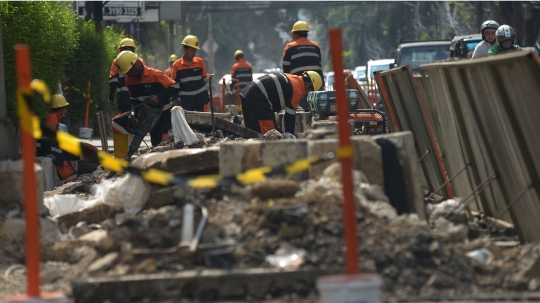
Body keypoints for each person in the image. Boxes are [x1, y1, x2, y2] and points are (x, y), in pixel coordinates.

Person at [114, 51, 180, 156]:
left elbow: (175, 87)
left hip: (163, 116)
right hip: (146, 115)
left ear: (135, 63)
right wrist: (135, 113)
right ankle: (122, 158)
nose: (130, 74)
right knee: (117, 123)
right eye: (127, 72)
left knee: (162, 146)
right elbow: (135, 99)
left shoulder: (155, 74)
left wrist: (159, 97)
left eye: (131, 71)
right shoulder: (129, 80)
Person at [240, 71, 322, 135]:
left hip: (247, 93)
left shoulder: (293, 78)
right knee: (270, 133)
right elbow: (290, 118)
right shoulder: (296, 90)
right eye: (310, 91)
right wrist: (288, 137)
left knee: (251, 131)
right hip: (258, 96)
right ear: (308, 84)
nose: (307, 93)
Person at [109, 38, 147, 158]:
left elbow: (113, 80)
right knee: (134, 122)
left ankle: (124, 152)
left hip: (123, 99)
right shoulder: (140, 61)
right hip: (136, 99)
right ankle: (130, 152)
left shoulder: (116, 61)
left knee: (122, 123)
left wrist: (111, 96)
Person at [282, 21, 324, 111]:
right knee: (317, 111)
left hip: (299, 87)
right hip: (316, 85)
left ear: (295, 35)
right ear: (306, 34)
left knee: (300, 111)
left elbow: (286, 71)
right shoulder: (316, 47)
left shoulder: (289, 47)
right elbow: (319, 66)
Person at [36, 94, 77, 183]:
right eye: (64, 108)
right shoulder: (53, 118)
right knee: (70, 176)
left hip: (52, 153)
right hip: (53, 154)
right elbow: (47, 137)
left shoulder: (52, 118)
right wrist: (47, 153)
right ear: (62, 109)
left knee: (71, 173)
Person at [171, 35, 210, 112]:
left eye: (195, 51)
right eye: (192, 51)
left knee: (203, 122)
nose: (194, 53)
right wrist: (175, 101)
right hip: (186, 102)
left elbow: (204, 80)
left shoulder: (200, 62)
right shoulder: (177, 65)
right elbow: (174, 85)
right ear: (185, 49)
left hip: (201, 100)